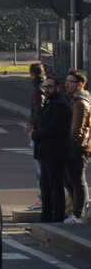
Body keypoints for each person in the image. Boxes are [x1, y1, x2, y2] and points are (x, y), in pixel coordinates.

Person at [34, 74, 75, 224]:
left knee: (56, 187)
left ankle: (57, 219)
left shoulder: (60, 104)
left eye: (50, 86)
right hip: (47, 152)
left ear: (58, 88)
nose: (46, 89)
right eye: (44, 87)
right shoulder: (51, 103)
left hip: (55, 152)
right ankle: (45, 219)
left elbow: (53, 129)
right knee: (45, 188)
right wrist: (34, 129)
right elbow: (45, 125)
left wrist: (34, 134)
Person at [67, 69, 91, 224]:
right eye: (67, 81)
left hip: (78, 148)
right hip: (77, 147)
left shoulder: (80, 102)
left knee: (77, 181)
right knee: (70, 180)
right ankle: (78, 212)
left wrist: (69, 145)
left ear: (80, 84)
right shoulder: (77, 100)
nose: (67, 84)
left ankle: (78, 214)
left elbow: (77, 130)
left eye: (70, 82)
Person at [28, 62, 47, 211]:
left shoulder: (37, 89)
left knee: (39, 167)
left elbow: (38, 109)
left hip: (39, 131)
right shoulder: (46, 86)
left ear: (31, 74)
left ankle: (43, 199)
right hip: (44, 130)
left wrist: (31, 125)